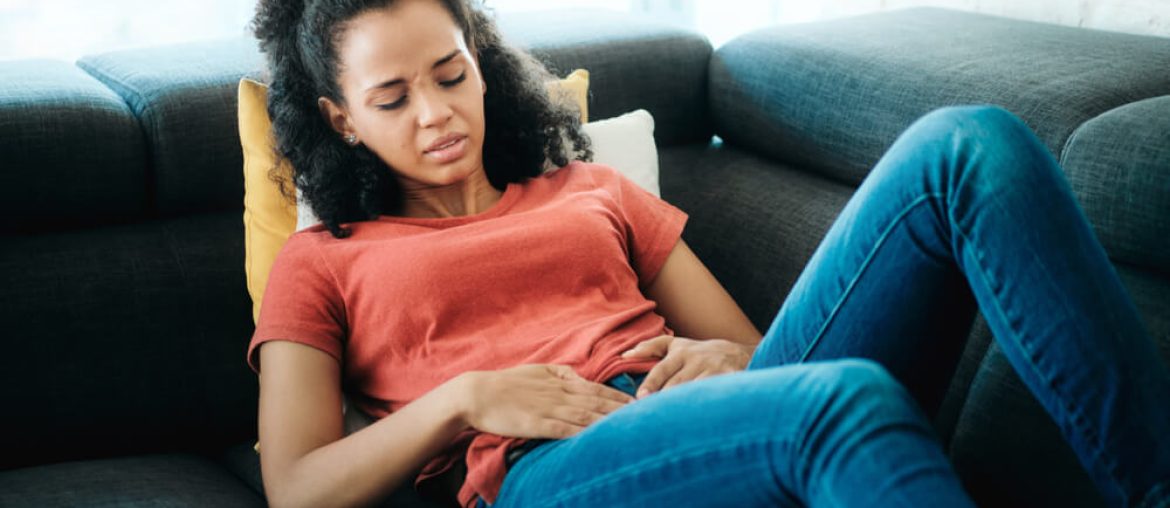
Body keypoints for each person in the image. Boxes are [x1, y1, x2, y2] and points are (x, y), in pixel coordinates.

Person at [245, 0, 1170, 506]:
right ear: (342, 121)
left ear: (481, 63)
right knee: (838, 403)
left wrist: (719, 356)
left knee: (969, 142)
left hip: (719, 412)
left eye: (451, 75)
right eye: (394, 98)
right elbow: (296, 486)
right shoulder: (325, 259)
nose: (437, 112)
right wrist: (466, 399)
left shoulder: (592, 188)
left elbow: (748, 348)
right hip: (555, 473)